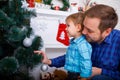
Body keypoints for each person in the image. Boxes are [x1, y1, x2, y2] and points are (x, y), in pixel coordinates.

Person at [35, 4, 120, 80]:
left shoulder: (118, 41)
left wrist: (101, 71)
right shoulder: (85, 38)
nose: (83, 32)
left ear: (107, 31)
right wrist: (49, 61)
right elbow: (72, 56)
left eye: (89, 30)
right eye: (84, 27)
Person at [35, 12, 92, 80]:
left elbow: (86, 61)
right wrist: (48, 61)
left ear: (78, 27)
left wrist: (84, 77)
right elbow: (67, 57)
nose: (65, 28)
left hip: (78, 75)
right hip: (71, 73)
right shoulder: (73, 43)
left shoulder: (83, 44)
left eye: (68, 26)